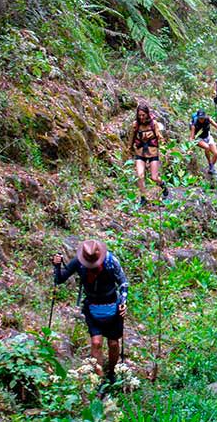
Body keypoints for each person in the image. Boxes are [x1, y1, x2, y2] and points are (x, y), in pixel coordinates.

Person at [52, 239, 128, 383]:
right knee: (96, 343)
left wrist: (123, 302)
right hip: (92, 308)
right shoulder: (79, 262)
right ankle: (98, 380)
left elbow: (123, 282)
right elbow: (60, 279)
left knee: (113, 343)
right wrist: (57, 265)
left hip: (113, 306)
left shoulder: (111, 261)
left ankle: (112, 373)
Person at [129, 104, 169, 207]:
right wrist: (129, 148)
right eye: (139, 115)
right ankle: (143, 198)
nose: (141, 117)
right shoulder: (135, 125)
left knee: (154, 177)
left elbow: (159, 136)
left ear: (147, 114)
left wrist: (164, 148)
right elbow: (132, 137)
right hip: (140, 152)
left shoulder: (153, 124)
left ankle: (163, 186)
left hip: (152, 152)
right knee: (140, 175)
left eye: (143, 115)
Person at [190, 109, 217, 174]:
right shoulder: (194, 124)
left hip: (208, 137)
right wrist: (190, 148)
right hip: (198, 138)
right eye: (200, 118)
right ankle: (209, 162)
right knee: (207, 147)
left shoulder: (208, 119)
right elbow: (192, 137)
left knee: (216, 154)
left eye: (202, 118)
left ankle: (211, 167)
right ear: (198, 117)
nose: (201, 120)